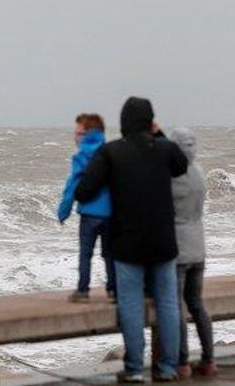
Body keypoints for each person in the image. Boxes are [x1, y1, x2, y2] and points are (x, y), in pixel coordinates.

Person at [75, 97, 188, 383]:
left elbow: (84, 190)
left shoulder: (112, 152)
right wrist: (158, 133)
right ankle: (167, 367)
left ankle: (135, 368)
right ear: (150, 122)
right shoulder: (164, 149)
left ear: (123, 122)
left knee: (130, 304)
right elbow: (181, 165)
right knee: (167, 304)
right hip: (163, 242)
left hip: (126, 243)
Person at [169, 127, 217, 379]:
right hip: (199, 248)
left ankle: (182, 362)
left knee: (177, 307)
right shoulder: (198, 173)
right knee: (197, 305)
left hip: (178, 251)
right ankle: (209, 359)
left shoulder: (170, 176)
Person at [57, 113, 115, 302]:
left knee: (85, 254)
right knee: (109, 254)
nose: (75, 137)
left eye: (78, 133)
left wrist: (64, 211)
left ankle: (83, 291)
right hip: (110, 214)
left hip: (89, 213)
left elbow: (72, 186)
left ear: (88, 134)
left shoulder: (81, 156)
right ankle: (113, 290)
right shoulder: (110, 152)